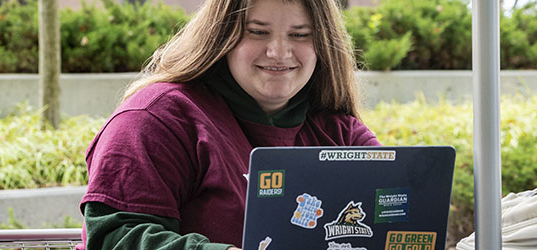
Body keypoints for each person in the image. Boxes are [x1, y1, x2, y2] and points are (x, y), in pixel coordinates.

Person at [78, 0, 380, 249]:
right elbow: (114, 237)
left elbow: (402, 206)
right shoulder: (154, 118)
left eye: (300, 35)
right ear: (221, 35)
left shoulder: (340, 132)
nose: (279, 52)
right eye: (258, 32)